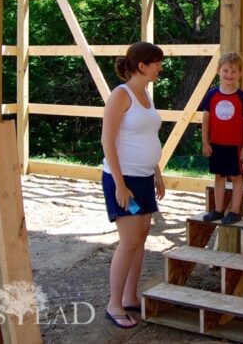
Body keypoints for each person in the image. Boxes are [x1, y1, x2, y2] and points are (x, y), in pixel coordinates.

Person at [100, 41, 166, 329]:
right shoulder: (121, 94)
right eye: (156, 63)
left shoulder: (146, 95)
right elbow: (107, 141)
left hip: (144, 177)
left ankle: (129, 296)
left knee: (140, 239)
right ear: (142, 65)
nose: (160, 68)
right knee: (128, 241)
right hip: (123, 178)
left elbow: (148, 138)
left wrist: (157, 172)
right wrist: (119, 184)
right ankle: (114, 304)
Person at [200, 52, 243, 225]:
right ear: (218, 71)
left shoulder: (242, 97)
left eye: (234, 71)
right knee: (219, 177)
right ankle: (218, 209)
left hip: (235, 145)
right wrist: (205, 142)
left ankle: (235, 211)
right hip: (216, 144)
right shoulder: (211, 95)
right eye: (226, 70)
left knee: (236, 177)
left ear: (240, 73)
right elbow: (206, 120)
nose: (229, 75)